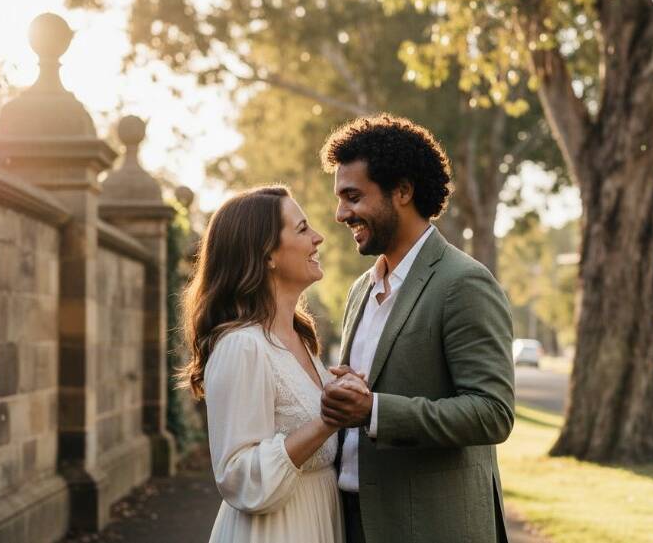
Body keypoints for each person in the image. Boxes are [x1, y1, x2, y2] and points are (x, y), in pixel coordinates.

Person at [318, 114, 516, 543]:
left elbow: (492, 413)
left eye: (353, 196)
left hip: (431, 526)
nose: (340, 213)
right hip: (352, 520)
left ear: (403, 191)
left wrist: (374, 411)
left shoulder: (463, 282)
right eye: (339, 198)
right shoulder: (360, 289)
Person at [179, 186, 362, 543]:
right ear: (266, 255)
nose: (318, 237)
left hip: (320, 520)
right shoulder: (241, 347)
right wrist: (328, 420)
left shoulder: (301, 340)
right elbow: (237, 476)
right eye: (302, 229)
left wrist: (346, 394)